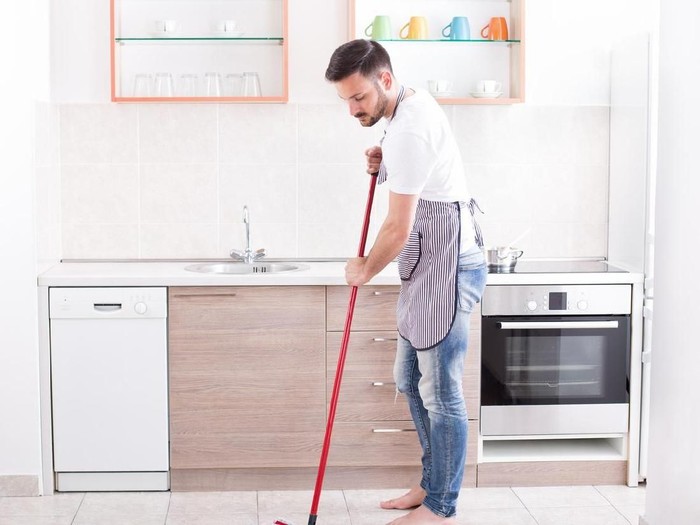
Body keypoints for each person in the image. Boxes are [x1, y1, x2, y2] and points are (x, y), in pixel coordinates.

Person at [325, 39, 488, 525]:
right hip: (428, 264)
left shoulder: (408, 129)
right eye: (346, 100)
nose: (353, 109)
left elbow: (397, 228)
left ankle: (441, 507)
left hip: (449, 266)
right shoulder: (403, 111)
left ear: (386, 80)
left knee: (442, 391)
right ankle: (431, 481)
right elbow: (420, 178)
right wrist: (384, 166)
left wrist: (365, 270)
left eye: (359, 98)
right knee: (408, 380)